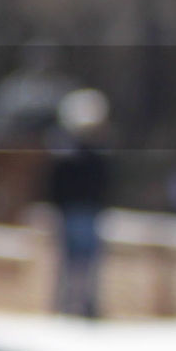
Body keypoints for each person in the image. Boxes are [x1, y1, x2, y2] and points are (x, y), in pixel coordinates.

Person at [47, 89, 111, 318]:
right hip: (72, 212)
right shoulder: (67, 152)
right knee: (69, 261)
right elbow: (57, 183)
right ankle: (65, 305)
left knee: (85, 262)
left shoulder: (95, 153)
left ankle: (83, 305)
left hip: (88, 211)